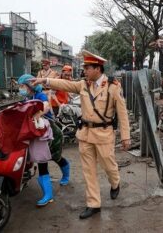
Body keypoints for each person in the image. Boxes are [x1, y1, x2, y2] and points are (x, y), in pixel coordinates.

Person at [31, 50, 131, 219]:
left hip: (104, 134)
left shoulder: (113, 87)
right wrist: (44, 80)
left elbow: (122, 113)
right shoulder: (83, 85)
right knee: (88, 171)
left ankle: (115, 183)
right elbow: (64, 84)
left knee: (109, 165)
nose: (84, 71)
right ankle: (94, 204)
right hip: (85, 134)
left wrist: (126, 136)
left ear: (97, 69)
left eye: (87, 68)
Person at [17, 74, 71, 206]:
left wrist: (35, 115)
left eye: (22, 86)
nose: (21, 89)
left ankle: (62, 180)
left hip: (50, 134)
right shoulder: (27, 98)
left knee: (56, 157)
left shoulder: (40, 96)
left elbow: (45, 106)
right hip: (37, 134)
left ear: (31, 86)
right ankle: (48, 194)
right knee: (41, 161)